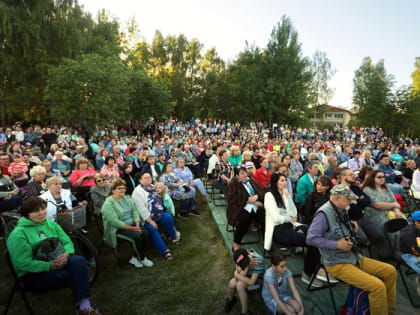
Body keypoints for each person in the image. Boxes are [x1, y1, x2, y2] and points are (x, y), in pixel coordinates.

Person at [306, 184, 397, 315]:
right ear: (337, 198)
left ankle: (388, 310)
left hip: (353, 257)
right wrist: (336, 244)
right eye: (348, 199)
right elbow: (310, 238)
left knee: (390, 271)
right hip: (337, 263)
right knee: (377, 287)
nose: (351, 202)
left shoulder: (342, 210)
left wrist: (353, 230)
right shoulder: (323, 214)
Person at [6, 197, 105, 314]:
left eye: (43, 209)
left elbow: (67, 241)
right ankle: (82, 305)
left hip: (56, 261)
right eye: (36, 211)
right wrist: (49, 266)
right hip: (31, 273)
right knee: (70, 275)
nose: (41, 213)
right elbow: (22, 263)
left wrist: (67, 253)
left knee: (78, 261)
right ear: (27, 214)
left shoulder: (51, 224)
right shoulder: (18, 234)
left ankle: (84, 307)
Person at [265, 172, 325, 287]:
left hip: (291, 225)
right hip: (278, 230)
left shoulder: (284, 193)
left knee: (315, 233)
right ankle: (308, 274)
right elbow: (276, 217)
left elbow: (294, 213)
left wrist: (288, 197)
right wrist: (290, 218)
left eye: (284, 180)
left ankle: (319, 266)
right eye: (281, 180)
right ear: (275, 182)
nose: (284, 183)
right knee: (311, 241)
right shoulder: (269, 196)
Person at [101, 178, 153, 268]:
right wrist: (133, 229)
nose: (122, 190)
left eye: (124, 188)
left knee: (145, 233)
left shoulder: (127, 198)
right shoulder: (108, 204)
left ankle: (134, 257)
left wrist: (137, 225)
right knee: (136, 237)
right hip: (118, 228)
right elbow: (115, 222)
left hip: (132, 224)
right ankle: (142, 258)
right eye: (119, 188)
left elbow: (134, 211)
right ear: (113, 190)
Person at [132, 172, 179, 260]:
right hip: (146, 218)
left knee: (168, 218)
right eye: (146, 178)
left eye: (149, 177)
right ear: (140, 180)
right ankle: (164, 251)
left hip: (158, 213)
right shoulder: (137, 192)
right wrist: (150, 221)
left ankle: (171, 236)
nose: (149, 179)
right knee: (152, 228)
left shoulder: (153, 187)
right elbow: (141, 210)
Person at [338, 168, 385, 246]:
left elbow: (368, 201)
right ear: (343, 177)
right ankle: (360, 254)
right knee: (363, 239)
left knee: (379, 235)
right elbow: (346, 207)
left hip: (361, 217)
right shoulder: (338, 190)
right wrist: (360, 200)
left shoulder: (355, 188)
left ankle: (376, 252)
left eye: (353, 174)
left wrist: (356, 201)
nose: (353, 176)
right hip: (349, 220)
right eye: (350, 175)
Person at [362, 170, 403, 254]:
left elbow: (394, 201)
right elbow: (377, 205)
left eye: (383, 177)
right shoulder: (367, 190)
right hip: (375, 215)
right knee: (393, 230)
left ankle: (400, 249)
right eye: (379, 177)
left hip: (389, 213)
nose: (382, 179)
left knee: (404, 225)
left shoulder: (386, 188)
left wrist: (397, 211)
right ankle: (391, 252)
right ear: (373, 178)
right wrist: (394, 205)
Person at [227, 166, 265, 251]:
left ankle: (267, 242)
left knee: (265, 218)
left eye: (245, 172)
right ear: (237, 175)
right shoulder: (233, 184)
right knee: (244, 220)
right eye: (242, 173)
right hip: (240, 207)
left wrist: (257, 196)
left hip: (255, 207)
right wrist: (248, 200)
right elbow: (232, 198)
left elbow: (261, 192)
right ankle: (237, 243)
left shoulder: (252, 181)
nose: (245, 175)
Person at [224, 248, 265, 315]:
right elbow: (237, 278)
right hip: (246, 281)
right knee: (232, 283)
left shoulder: (258, 260)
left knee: (239, 285)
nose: (246, 264)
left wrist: (236, 274)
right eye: (243, 264)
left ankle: (244, 312)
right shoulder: (238, 258)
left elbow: (252, 282)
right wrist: (247, 267)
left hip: (257, 286)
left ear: (248, 252)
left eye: (246, 261)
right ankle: (231, 300)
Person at [400, 210, 420, 296]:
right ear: (416, 222)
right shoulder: (409, 234)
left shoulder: (418, 228)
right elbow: (415, 251)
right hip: (408, 254)